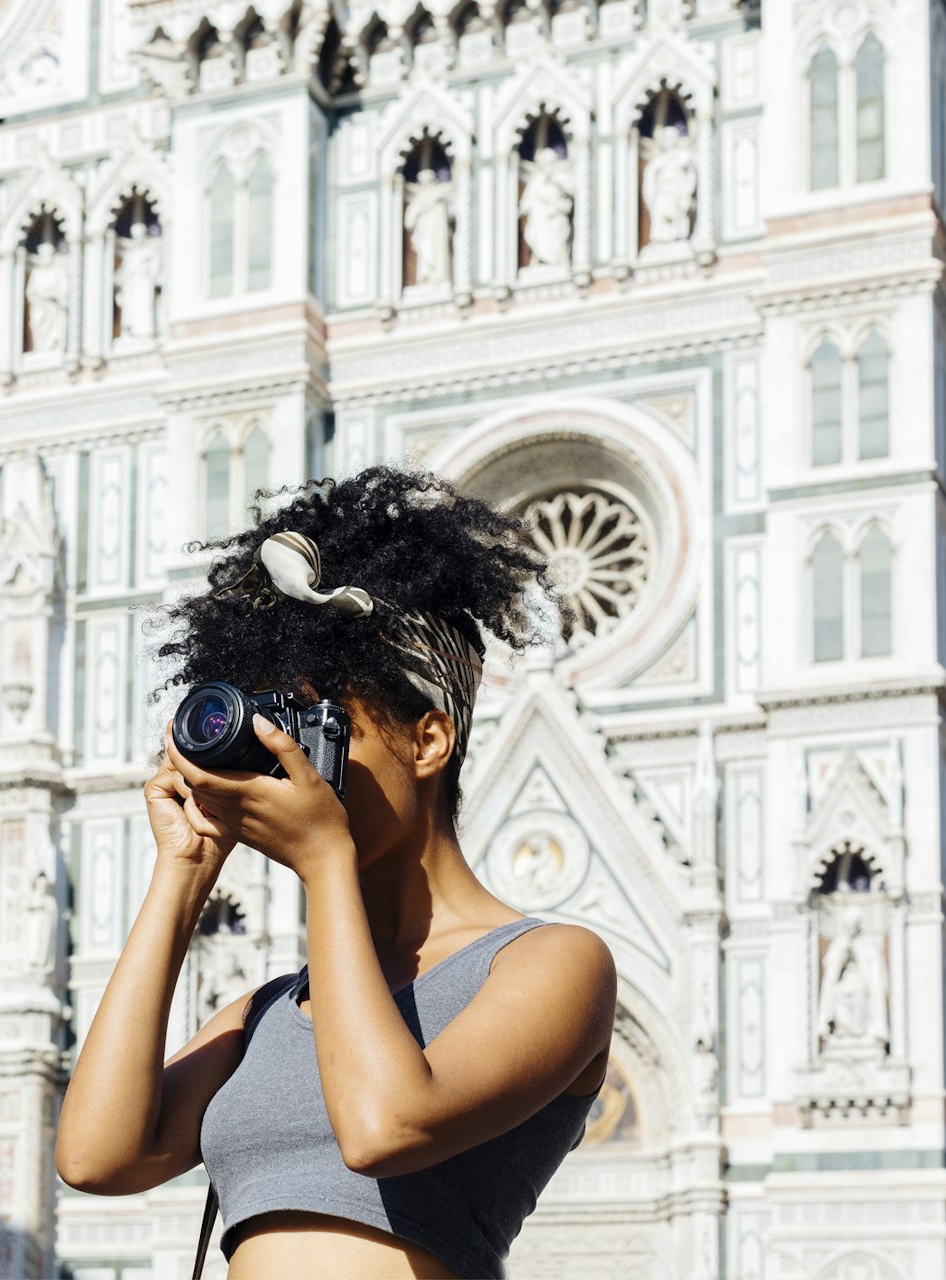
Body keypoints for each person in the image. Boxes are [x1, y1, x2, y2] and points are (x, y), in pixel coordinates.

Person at [54, 464, 617, 1279]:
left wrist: (327, 861)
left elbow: (386, 1125)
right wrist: (184, 875)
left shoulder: (552, 962)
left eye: (324, 733)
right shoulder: (268, 1011)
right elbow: (97, 1157)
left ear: (428, 741)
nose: (299, 774)